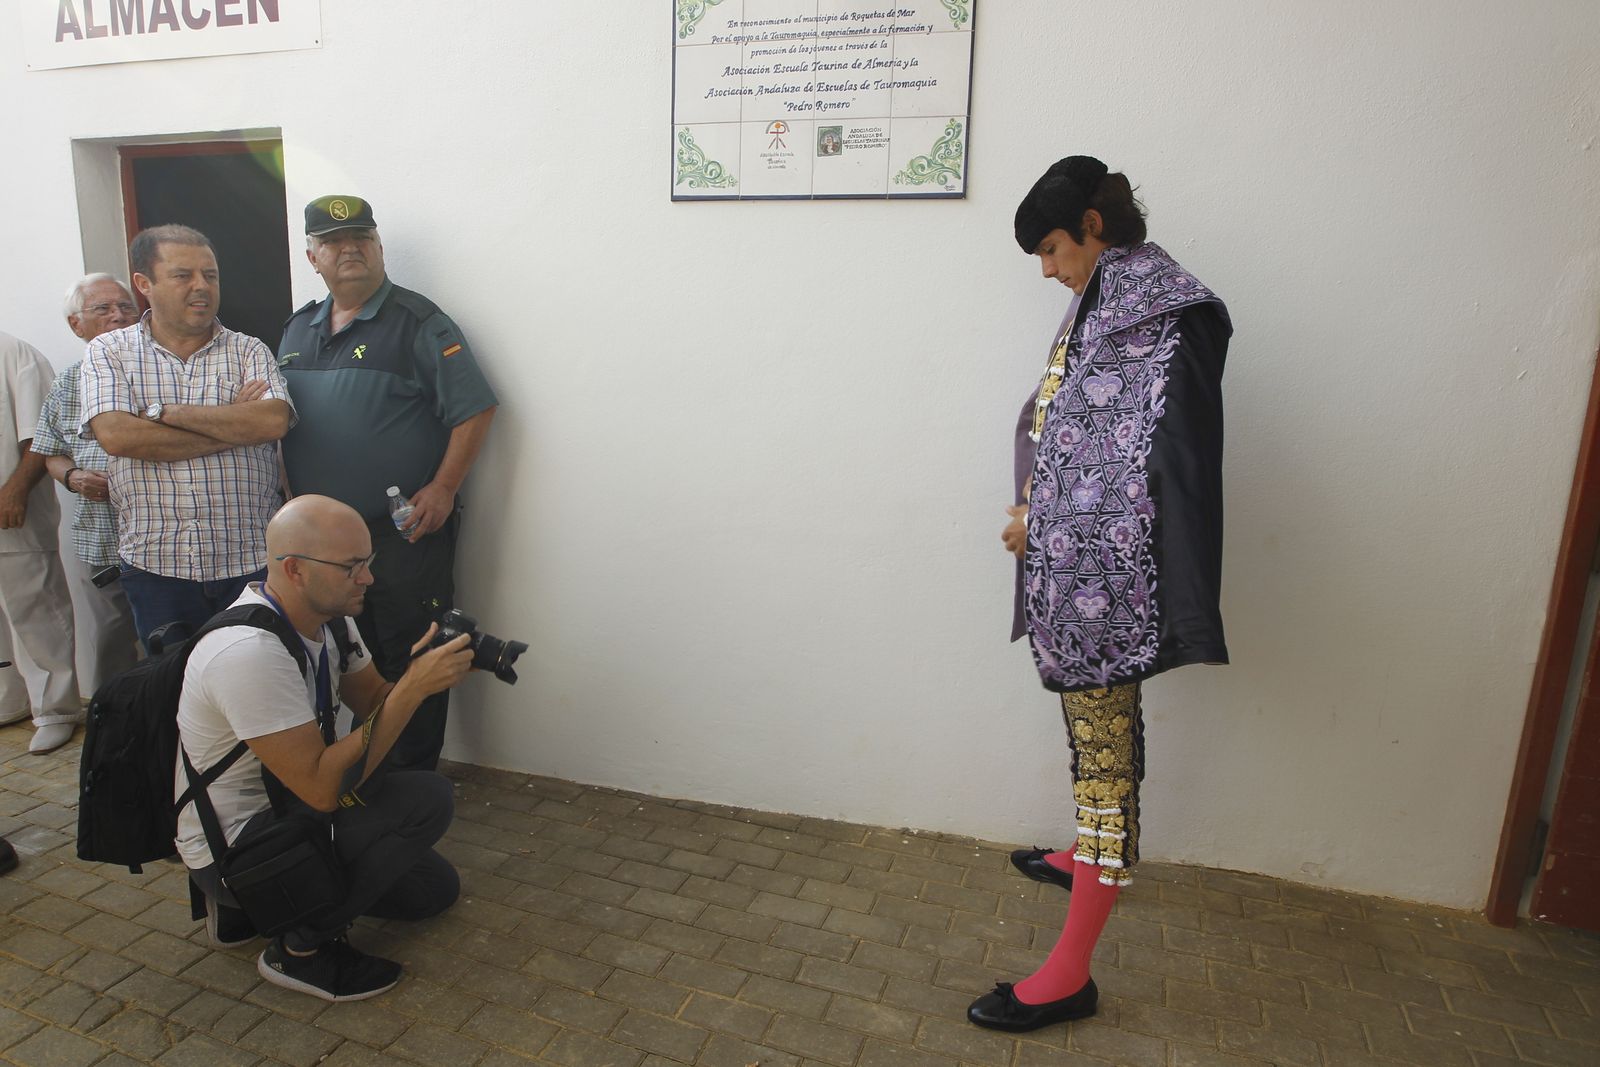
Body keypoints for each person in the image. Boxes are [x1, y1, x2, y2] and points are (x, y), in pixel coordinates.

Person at [969, 156, 1231, 1033]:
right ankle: (1088, 852)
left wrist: (1040, 524)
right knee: (1100, 739)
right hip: (1084, 574)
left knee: (1105, 766)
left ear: (1092, 224)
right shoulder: (1116, 301)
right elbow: (1095, 440)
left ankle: (1069, 976)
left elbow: (1146, 467)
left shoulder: (1152, 311)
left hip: (1107, 582)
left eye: (1050, 249)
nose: (1046, 270)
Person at [176, 494, 474, 1001]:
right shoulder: (248, 652)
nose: (369, 579)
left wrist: (418, 671)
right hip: (237, 845)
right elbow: (321, 790)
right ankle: (299, 951)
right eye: (353, 566)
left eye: (368, 562)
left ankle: (242, 914)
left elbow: (377, 700)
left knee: (432, 893)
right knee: (429, 799)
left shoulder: (328, 615)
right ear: (293, 569)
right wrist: (413, 690)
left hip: (285, 809)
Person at [278, 196, 497, 774]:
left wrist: (444, 488)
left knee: (411, 652)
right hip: (321, 543)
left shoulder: (420, 322)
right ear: (312, 256)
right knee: (337, 655)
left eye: (362, 237)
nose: (349, 248)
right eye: (334, 241)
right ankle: (354, 769)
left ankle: (410, 783)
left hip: (400, 535)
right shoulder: (296, 328)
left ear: (379, 248)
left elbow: (475, 409)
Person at [81, 225, 295, 649]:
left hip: (249, 565)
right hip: (156, 567)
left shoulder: (248, 350)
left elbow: (272, 422)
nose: (201, 286)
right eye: (183, 275)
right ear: (145, 284)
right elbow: (119, 436)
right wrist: (234, 423)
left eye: (210, 275)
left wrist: (167, 415)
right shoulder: (109, 352)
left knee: (256, 693)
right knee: (170, 699)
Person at [30, 274, 142, 689]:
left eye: (126, 306)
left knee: (172, 639)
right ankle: (112, 727)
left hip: (166, 537)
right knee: (109, 638)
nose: (118, 316)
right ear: (77, 325)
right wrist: (74, 477)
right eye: (103, 309)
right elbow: (50, 452)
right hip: (101, 537)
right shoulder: (68, 382)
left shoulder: (162, 367)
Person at [0, 330, 83, 754]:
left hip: (12, 514)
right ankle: (9, 700)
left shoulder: (15, 352)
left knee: (35, 610)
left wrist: (14, 491)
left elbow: (40, 433)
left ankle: (56, 709)